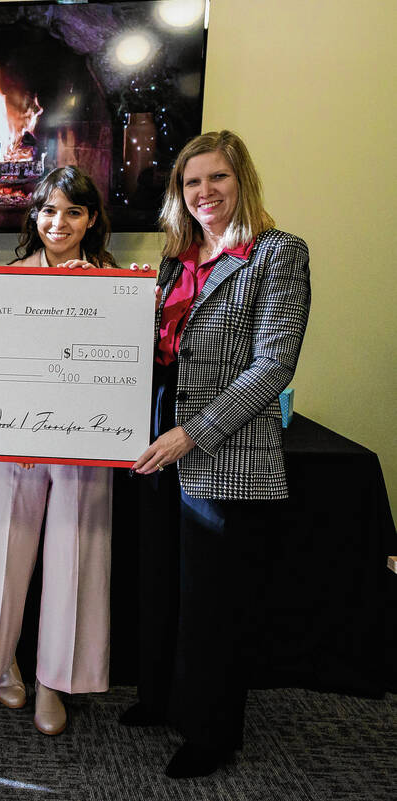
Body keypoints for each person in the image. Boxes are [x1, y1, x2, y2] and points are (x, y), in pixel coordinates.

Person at [121, 130, 311, 778]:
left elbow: (273, 365)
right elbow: (152, 347)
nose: (204, 191)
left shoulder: (278, 252)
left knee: (212, 599)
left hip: (223, 445)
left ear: (242, 181)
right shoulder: (176, 257)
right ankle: (161, 696)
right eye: (191, 181)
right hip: (157, 434)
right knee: (161, 579)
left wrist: (192, 433)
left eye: (217, 178)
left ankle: (211, 731)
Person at [0, 166, 118, 737]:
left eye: (73, 212)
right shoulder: (8, 280)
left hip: (86, 443)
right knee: (6, 553)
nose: (58, 223)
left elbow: (124, 370)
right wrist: (15, 428)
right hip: (16, 441)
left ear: (91, 220)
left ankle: (54, 680)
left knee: (75, 557)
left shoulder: (116, 283)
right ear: (34, 217)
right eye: (48, 211)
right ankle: (1, 662)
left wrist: (100, 296)